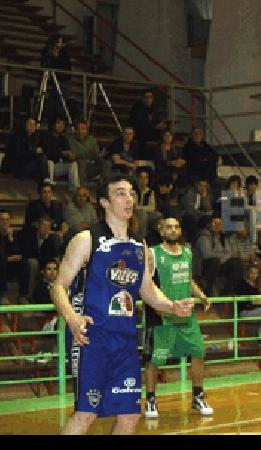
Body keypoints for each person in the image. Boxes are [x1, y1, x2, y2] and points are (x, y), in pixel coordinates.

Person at [49, 173, 194, 435]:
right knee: (86, 413)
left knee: (129, 415)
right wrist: (72, 318)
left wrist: (173, 306)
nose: (129, 199)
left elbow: (148, 290)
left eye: (131, 193)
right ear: (104, 202)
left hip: (125, 340)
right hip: (92, 338)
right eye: (120, 193)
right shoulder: (86, 240)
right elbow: (59, 286)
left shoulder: (140, 245)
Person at [142, 217, 213, 419]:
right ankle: (150, 399)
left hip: (187, 316)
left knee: (198, 352)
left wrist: (201, 295)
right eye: (168, 227)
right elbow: (146, 283)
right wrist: (158, 304)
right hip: (164, 315)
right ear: (161, 230)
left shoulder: (188, 252)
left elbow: (188, 279)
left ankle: (198, 396)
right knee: (155, 359)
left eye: (176, 227)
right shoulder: (153, 253)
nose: (173, 230)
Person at [0, 116, 49, 183]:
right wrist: (34, 152)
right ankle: (45, 180)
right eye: (30, 124)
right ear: (25, 125)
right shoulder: (17, 136)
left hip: (28, 164)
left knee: (42, 159)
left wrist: (37, 152)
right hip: (16, 166)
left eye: (34, 125)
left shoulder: (37, 136)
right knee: (41, 161)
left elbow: (44, 149)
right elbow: (17, 154)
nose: (32, 126)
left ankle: (45, 180)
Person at [67, 120, 110, 187]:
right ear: (75, 130)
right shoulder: (71, 140)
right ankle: (81, 188)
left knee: (105, 163)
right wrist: (87, 154)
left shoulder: (92, 140)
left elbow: (95, 155)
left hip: (91, 166)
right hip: (77, 167)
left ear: (87, 130)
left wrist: (98, 155)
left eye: (83, 129)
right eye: (78, 129)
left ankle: (102, 187)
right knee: (81, 162)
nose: (80, 131)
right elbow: (74, 156)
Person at [42, 117, 79, 190]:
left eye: (63, 124)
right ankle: (49, 187)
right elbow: (46, 152)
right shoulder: (46, 136)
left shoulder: (63, 139)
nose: (61, 126)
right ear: (53, 124)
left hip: (58, 166)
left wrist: (71, 156)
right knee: (50, 163)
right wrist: (61, 152)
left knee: (73, 164)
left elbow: (67, 152)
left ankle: (74, 187)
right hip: (47, 165)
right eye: (58, 123)